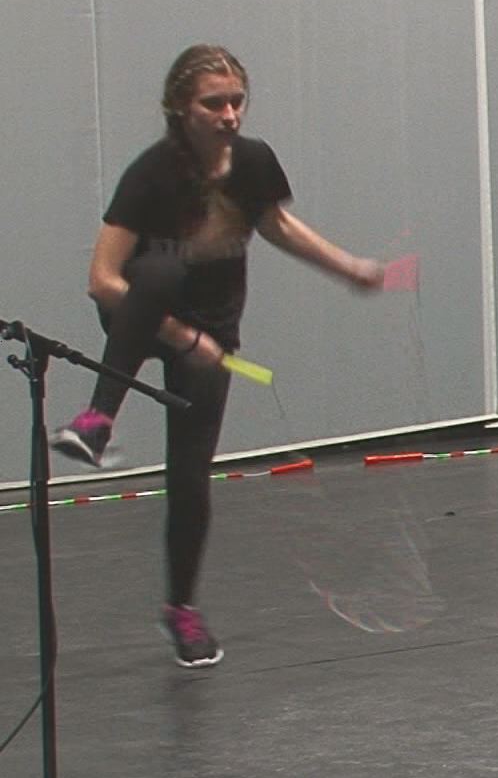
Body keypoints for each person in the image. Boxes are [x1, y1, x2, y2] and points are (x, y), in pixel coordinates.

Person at [51, 44, 385, 668]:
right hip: (142, 316)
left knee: (190, 476)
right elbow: (102, 280)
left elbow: (276, 225)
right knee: (157, 272)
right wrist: (180, 337)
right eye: (214, 103)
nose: (230, 114)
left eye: (237, 101)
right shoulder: (152, 174)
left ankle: (181, 607)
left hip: (214, 328)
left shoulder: (253, 162)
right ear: (181, 108)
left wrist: (348, 268)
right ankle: (97, 419)